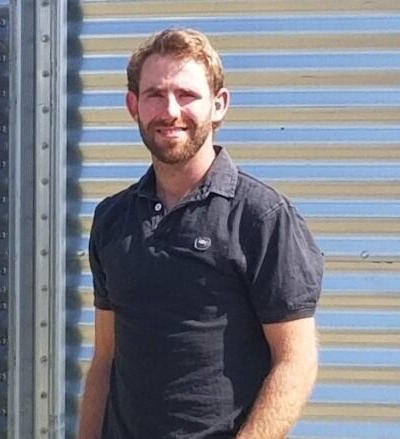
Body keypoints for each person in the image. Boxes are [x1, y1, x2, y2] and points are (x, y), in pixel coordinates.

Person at [78, 28, 324, 439]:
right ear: (133, 106)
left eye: (187, 95)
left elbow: (296, 360)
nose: (170, 110)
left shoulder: (261, 218)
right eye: (155, 94)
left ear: (219, 105)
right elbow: (106, 356)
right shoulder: (112, 219)